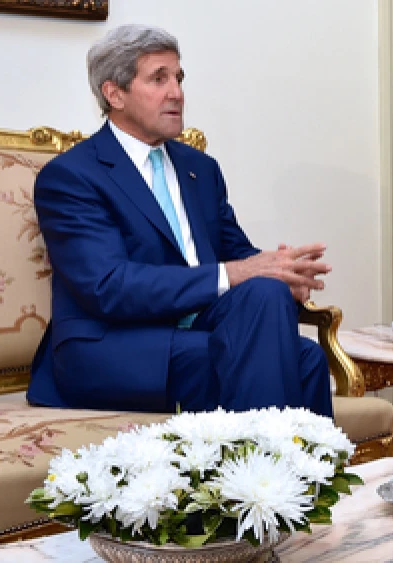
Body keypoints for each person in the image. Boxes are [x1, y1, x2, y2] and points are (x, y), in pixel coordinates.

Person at [26, 24, 334, 417]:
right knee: (295, 358)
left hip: (194, 329)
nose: (177, 92)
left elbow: (238, 255)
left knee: (272, 300)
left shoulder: (199, 169)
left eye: (178, 77)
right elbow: (109, 287)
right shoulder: (73, 176)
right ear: (114, 93)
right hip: (115, 345)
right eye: (159, 78)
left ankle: (289, 475)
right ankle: (268, 473)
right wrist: (235, 273)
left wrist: (284, 272)